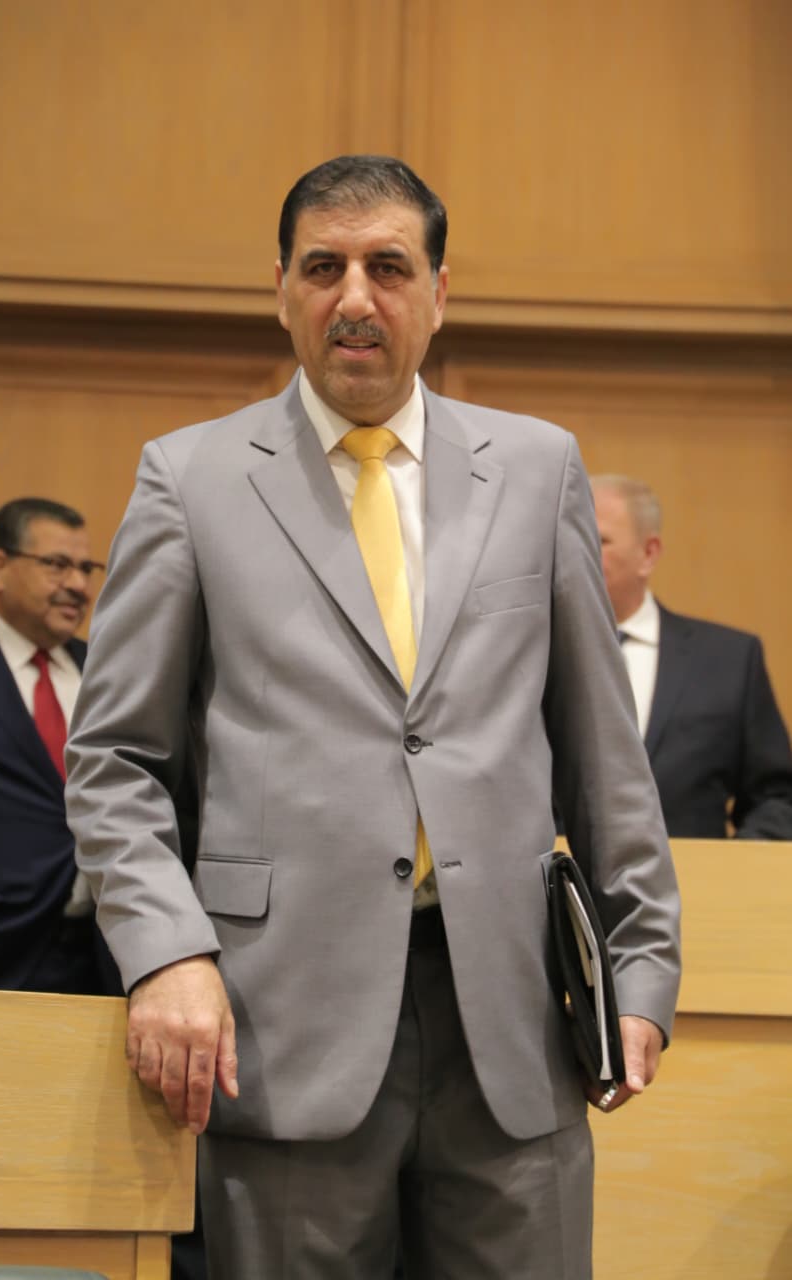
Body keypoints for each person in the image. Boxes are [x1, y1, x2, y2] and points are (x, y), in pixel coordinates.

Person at [65, 156, 681, 1280]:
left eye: (387, 268)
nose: (355, 297)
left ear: (437, 292)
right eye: (324, 268)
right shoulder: (189, 478)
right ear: (281, 290)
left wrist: (639, 967)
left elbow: (604, 755)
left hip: (510, 1020)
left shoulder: (537, 467)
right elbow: (114, 759)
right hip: (276, 1021)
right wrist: (164, 954)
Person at [0, 496, 118, 993]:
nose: (79, 585)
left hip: (105, 959)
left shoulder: (108, 673)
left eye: (86, 568)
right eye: (57, 565)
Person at [591, 473, 792, 839]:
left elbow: (776, 799)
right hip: (556, 873)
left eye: (599, 540)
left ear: (648, 554)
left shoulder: (729, 660)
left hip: (695, 874)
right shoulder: (529, 656)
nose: (578, 553)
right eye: (570, 539)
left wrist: (728, 867)